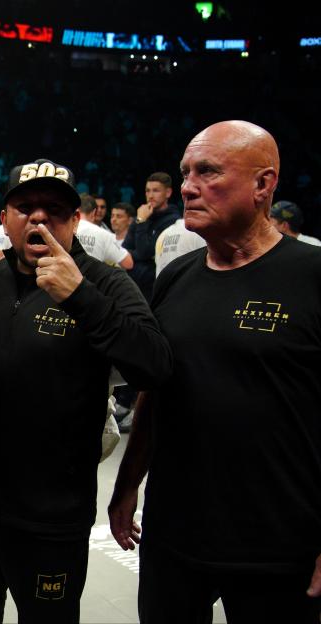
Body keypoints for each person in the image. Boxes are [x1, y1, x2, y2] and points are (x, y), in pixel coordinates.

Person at [109, 120, 321, 623]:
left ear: (263, 185)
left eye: (207, 171)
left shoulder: (311, 276)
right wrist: (127, 481)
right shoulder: (177, 277)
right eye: (185, 172)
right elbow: (156, 395)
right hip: (175, 535)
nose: (187, 186)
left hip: (277, 541)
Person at [0, 158, 170, 624]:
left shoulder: (105, 282)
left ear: (76, 221)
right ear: (4, 221)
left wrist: (80, 297)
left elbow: (156, 365)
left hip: (53, 514)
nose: (39, 218)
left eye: (54, 209)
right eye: (25, 207)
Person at [123, 172, 181, 300]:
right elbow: (123, 250)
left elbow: (144, 251)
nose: (150, 196)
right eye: (147, 191)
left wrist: (141, 222)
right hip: (134, 287)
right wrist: (145, 254)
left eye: (155, 191)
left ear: (168, 193)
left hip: (156, 289)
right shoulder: (141, 215)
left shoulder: (173, 221)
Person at [76, 192, 133, 269]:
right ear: (93, 213)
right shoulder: (104, 235)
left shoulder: (63, 229)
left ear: (76, 210)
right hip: (92, 279)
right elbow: (128, 263)